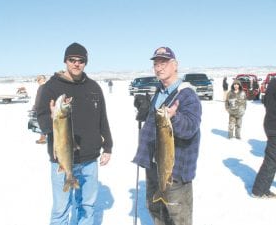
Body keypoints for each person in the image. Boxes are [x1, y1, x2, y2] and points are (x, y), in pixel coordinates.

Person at [36, 42, 113, 225]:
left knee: (87, 206)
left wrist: (108, 146)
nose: (76, 64)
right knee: (61, 209)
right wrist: (53, 119)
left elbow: (103, 119)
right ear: (65, 61)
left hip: (89, 159)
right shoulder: (50, 87)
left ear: (85, 63)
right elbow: (41, 119)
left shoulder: (94, 87)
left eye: (81, 61)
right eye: (72, 60)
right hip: (62, 160)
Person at [132, 47, 202, 225]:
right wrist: (145, 112)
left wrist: (175, 117)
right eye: (156, 64)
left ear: (175, 65)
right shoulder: (159, 92)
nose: (159, 68)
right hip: (154, 165)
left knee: (178, 217)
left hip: (175, 170)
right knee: (156, 210)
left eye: (163, 63)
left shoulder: (187, 94)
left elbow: (191, 128)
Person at [252, 61, 276, 198]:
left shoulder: (274, 82)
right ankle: (259, 190)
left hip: (274, 124)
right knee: (273, 160)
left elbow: (265, 102)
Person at [33, 75, 47, 144]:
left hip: (42, 108)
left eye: (39, 79)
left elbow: (39, 99)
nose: (38, 81)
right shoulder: (44, 86)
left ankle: (43, 138)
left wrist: (36, 107)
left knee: (42, 123)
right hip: (43, 107)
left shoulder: (43, 87)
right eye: (37, 79)